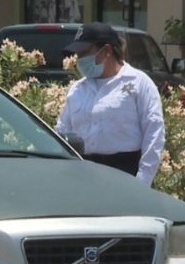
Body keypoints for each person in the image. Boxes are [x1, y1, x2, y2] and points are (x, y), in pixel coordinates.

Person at [56, 21, 164, 185]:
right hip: (83, 175)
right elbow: (62, 133)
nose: (80, 60)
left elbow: (154, 134)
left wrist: (142, 183)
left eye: (85, 53)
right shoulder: (77, 90)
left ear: (106, 51)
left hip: (124, 173)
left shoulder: (139, 83)